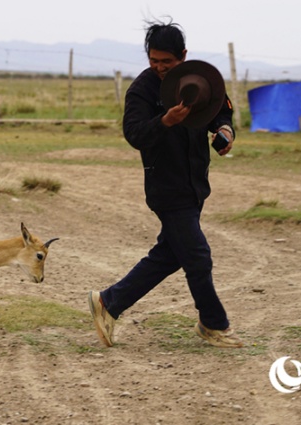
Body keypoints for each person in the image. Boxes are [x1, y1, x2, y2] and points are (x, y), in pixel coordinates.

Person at [88, 19, 242, 348]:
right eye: (153, 60)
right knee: (197, 255)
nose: (159, 68)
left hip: (196, 184)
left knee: (170, 255)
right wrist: (164, 121)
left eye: (166, 62)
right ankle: (214, 323)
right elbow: (134, 134)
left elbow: (221, 111)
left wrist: (226, 132)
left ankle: (108, 302)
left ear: (182, 56)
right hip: (165, 188)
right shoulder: (142, 90)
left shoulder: (200, 80)